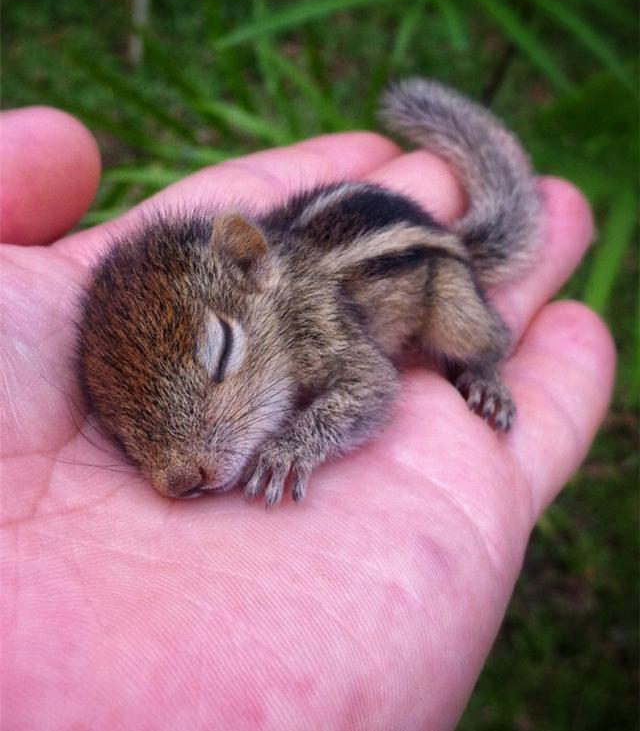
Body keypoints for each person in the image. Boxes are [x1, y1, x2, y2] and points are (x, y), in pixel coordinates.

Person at [0, 106, 615, 730]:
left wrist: (303, 440)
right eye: (132, 434)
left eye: (219, 358)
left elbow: (371, 384)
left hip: (423, 274)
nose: (176, 473)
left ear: (250, 267)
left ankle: (482, 363)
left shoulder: (305, 314)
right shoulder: (196, 371)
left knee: (461, 327)